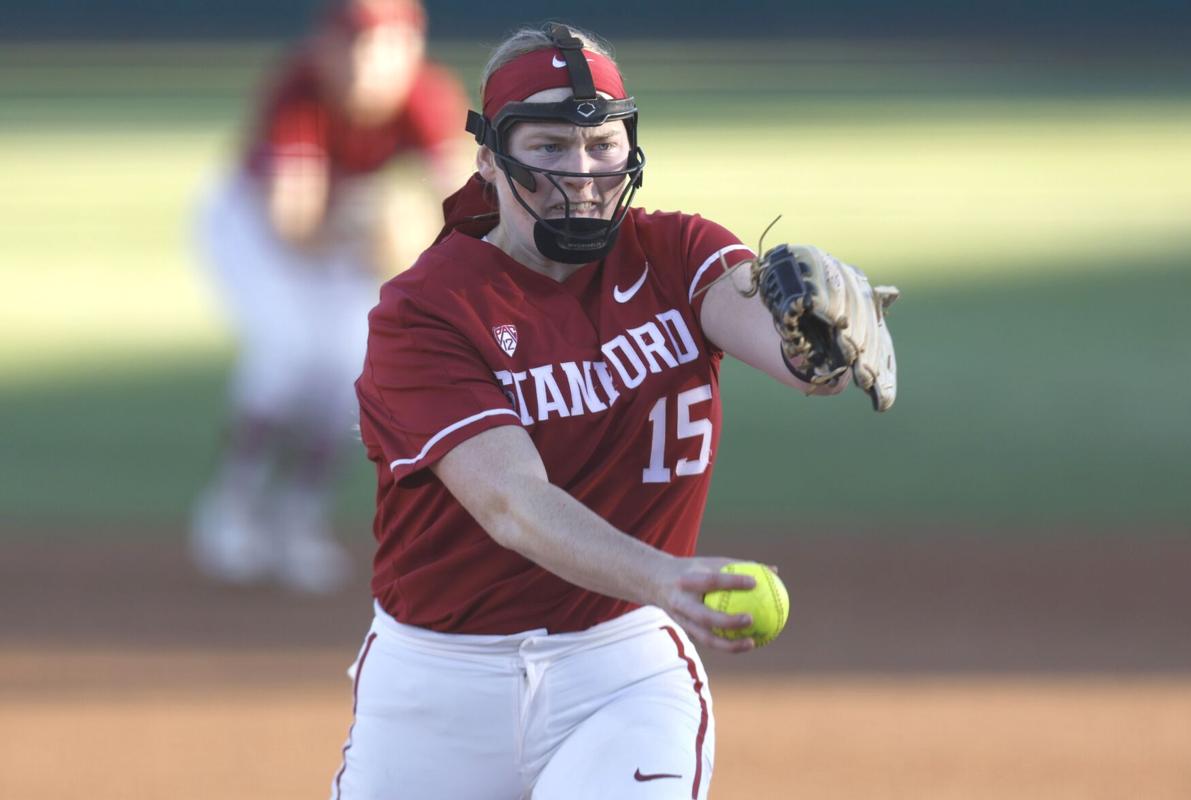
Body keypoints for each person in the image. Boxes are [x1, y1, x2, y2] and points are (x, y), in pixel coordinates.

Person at [333, 22, 897, 799]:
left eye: (602, 144)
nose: (585, 172)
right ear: (490, 161)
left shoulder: (678, 253)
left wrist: (821, 345)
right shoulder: (427, 312)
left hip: (620, 671)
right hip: (433, 692)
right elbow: (511, 503)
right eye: (551, 147)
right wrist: (662, 577)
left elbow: (785, 351)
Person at [190, 0, 468, 593]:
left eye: (386, 44)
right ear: (325, 45)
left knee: (353, 367)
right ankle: (234, 505)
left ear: (412, 47)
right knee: (288, 352)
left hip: (341, 225)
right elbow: (292, 227)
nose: (369, 60)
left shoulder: (426, 95)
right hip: (251, 223)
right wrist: (376, 228)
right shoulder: (297, 91)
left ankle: (298, 518)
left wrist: (417, 237)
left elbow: (466, 210)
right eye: (355, 44)